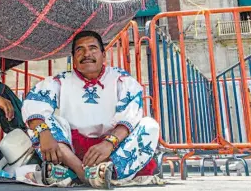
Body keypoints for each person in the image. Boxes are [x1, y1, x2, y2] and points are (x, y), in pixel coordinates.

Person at [22, 31, 159, 188]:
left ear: (103, 54)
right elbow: (33, 103)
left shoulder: (120, 78)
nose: (86, 54)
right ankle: (83, 173)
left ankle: (103, 172)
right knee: (39, 123)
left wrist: (109, 143)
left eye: (92, 48)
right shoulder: (61, 81)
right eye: (80, 49)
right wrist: (44, 132)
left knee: (150, 126)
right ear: (74, 58)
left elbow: (131, 114)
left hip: (111, 150)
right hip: (71, 154)